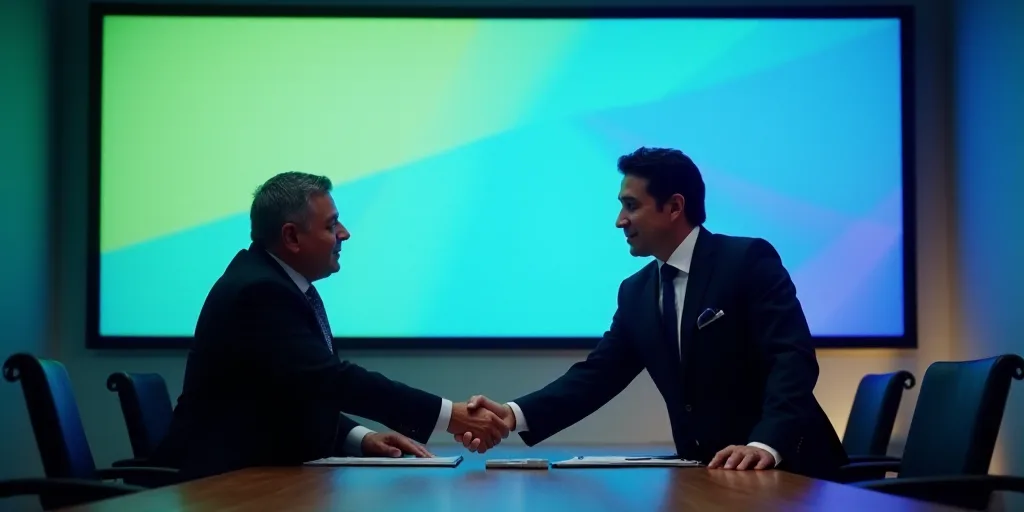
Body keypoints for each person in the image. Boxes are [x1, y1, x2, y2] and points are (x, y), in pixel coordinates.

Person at [459, 147, 848, 479]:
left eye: (631, 206)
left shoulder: (747, 260)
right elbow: (598, 376)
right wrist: (511, 415)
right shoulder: (636, 292)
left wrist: (766, 442)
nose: (619, 221)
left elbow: (791, 359)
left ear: (675, 206)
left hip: (790, 469)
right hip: (707, 475)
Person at [151, 172, 508, 480]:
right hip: (216, 487)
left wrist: (361, 438)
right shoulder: (258, 292)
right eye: (330, 224)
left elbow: (297, 392)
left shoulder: (280, 284)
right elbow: (330, 380)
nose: (345, 233)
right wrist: (448, 415)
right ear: (291, 237)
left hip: (257, 477)